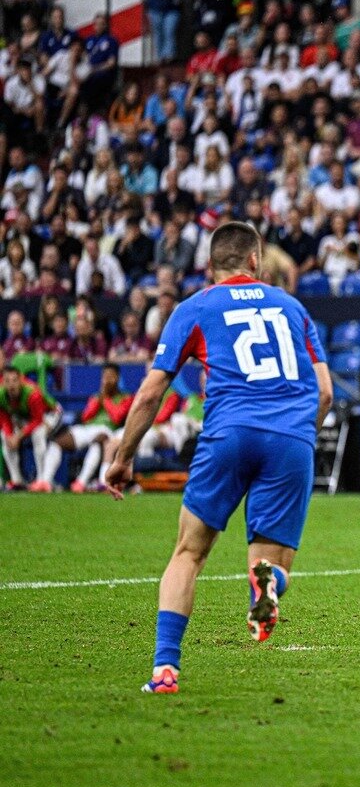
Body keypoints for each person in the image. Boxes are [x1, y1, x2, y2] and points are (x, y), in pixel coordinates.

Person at [104, 222, 333, 695]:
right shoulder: (292, 307)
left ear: (210, 265)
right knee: (270, 564)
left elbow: (151, 391)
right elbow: (325, 392)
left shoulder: (196, 308)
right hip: (290, 438)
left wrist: (124, 456)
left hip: (228, 434)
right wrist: (299, 440)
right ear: (256, 260)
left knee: (189, 552)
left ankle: (165, 672)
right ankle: (268, 588)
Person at [41, 363, 130, 493]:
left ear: (117, 378)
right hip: (87, 429)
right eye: (105, 377)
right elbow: (86, 417)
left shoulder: (126, 397)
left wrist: (105, 400)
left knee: (98, 441)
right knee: (58, 441)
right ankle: (45, 481)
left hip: (108, 431)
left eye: (110, 377)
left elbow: (117, 418)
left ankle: (81, 482)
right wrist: (99, 399)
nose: (107, 380)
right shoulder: (96, 396)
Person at [0, 365, 61, 491]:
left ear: (21, 381)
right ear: (3, 382)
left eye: (14, 381)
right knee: (5, 436)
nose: (11, 385)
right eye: (7, 381)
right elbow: (4, 418)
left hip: (50, 414)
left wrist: (18, 436)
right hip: (25, 417)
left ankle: (41, 479)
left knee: (38, 434)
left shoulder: (33, 394)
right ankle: (16, 480)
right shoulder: (1, 395)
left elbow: (38, 420)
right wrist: (10, 435)